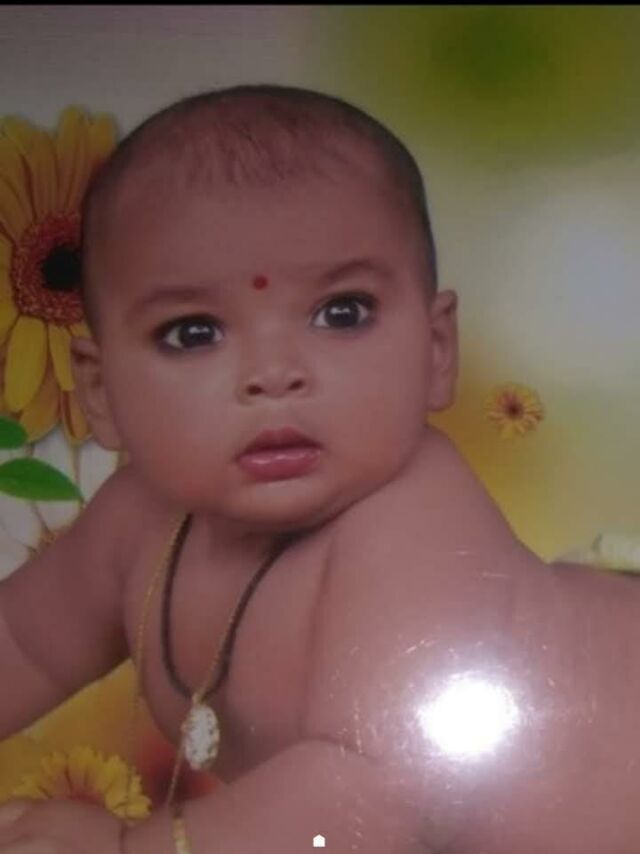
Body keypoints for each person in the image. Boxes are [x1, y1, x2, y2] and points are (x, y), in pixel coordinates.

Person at [0, 84, 638, 854]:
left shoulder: (413, 530)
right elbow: (23, 641)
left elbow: (372, 797)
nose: (274, 373)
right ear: (100, 390)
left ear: (436, 350)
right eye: (193, 332)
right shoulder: (138, 519)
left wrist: (131, 847)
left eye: (342, 313)